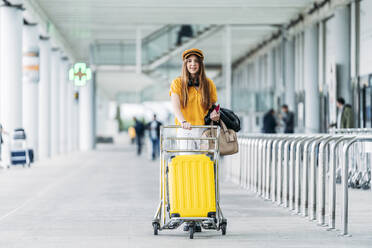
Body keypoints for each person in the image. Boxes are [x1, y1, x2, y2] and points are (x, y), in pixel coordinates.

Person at [169, 48, 219, 232]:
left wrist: (214, 115)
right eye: (189, 61)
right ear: (185, 64)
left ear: (200, 64)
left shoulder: (208, 84)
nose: (192, 64)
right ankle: (189, 217)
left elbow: (213, 107)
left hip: (205, 131)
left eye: (195, 61)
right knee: (188, 170)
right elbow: (175, 106)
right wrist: (183, 121)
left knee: (205, 170)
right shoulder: (177, 83)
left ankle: (202, 214)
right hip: (186, 131)